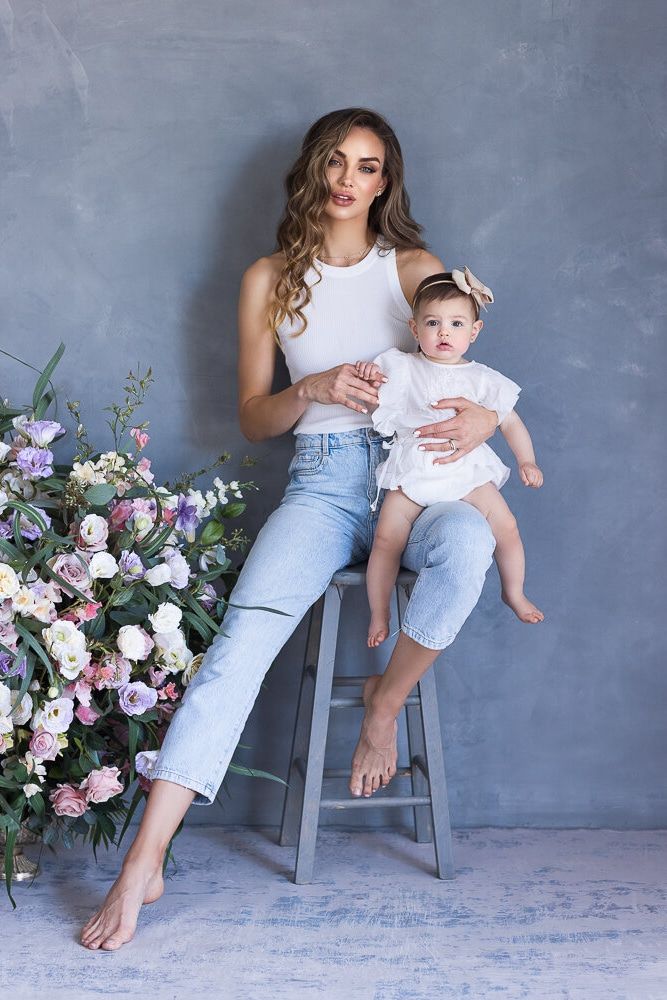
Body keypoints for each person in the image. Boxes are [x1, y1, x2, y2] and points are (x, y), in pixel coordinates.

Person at [81, 108, 499, 951]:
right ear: (315, 170)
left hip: (409, 478)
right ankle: (143, 862)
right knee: (238, 643)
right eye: (338, 162)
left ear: (387, 181)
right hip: (320, 486)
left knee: (471, 545)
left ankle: (385, 701)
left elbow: (467, 372)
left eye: (370, 167)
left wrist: (486, 423)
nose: (351, 179)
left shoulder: (413, 268)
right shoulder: (267, 278)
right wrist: (309, 390)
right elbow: (250, 417)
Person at [355, 267, 544, 649]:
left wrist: (527, 460)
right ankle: (379, 612)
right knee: (387, 539)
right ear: (414, 328)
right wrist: (369, 375)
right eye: (433, 323)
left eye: (456, 323)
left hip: (467, 471)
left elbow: (511, 422)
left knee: (505, 527)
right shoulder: (403, 367)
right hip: (414, 468)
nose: (444, 332)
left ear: (473, 333)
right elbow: (373, 392)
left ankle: (515, 591)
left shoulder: (484, 379)